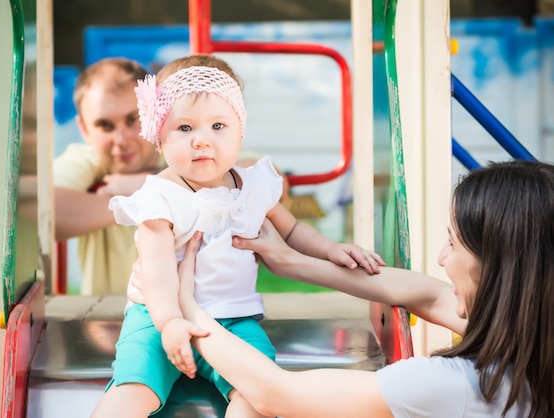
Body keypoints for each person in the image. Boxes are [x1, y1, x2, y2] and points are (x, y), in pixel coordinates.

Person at [91, 56, 385, 417]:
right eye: (185, 129)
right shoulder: (159, 198)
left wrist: (331, 249)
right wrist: (170, 324)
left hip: (234, 319)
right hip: (157, 318)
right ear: (158, 136)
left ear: (240, 131)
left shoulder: (254, 184)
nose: (202, 140)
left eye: (218, 125)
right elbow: (157, 272)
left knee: (260, 395)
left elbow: (292, 230)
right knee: (135, 389)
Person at [174, 159, 554, 417]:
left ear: (503, 266)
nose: (441, 258)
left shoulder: (461, 385)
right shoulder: (537, 345)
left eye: (454, 243)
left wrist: (186, 307)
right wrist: (292, 261)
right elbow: (425, 294)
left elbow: (275, 393)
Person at [51, 56, 287, 295]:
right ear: (84, 129)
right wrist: (147, 200)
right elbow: (48, 214)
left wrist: (147, 187)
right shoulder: (88, 159)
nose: (121, 140)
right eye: (105, 125)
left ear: (152, 115)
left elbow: (273, 180)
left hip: (207, 310)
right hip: (113, 315)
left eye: (133, 119)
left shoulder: (188, 151)